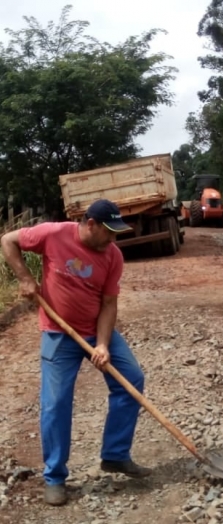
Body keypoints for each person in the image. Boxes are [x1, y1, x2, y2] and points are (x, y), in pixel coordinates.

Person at [0, 199, 151, 507]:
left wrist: (103, 345)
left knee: (131, 380)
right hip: (58, 333)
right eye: (108, 232)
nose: (113, 239)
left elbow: (109, 304)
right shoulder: (53, 234)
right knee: (55, 404)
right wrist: (26, 278)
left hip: (96, 330)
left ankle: (115, 455)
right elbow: (8, 240)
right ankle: (55, 477)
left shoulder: (113, 256)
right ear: (90, 224)